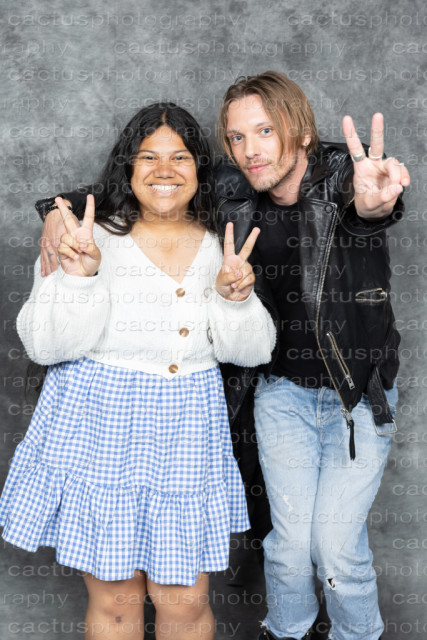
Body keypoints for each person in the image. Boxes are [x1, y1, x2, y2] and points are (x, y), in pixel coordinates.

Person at [29, 72, 409, 640]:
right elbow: (141, 182)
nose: (251, 148)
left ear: (303, 133)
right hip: (275, 396)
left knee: (333, 549)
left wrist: (374, 207)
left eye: (266, 130)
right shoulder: (230, 191)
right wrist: (55, 210)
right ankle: (287, 632)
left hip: (354, 397)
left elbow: (364, 208)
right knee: (285, 546)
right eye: (236, 137)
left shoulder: (342, 180)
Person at [0, 102, 276, 640]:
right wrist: (78, 278)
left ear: (200, 169)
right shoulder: (88, 236)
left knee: (185, 602)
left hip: (187, 432)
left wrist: (235, 299)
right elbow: (45, 345)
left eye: (180, 157)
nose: (163, 169)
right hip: (98, 428)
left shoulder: (220, 244)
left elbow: (254, 351)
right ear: (127, 167)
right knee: (117, 602)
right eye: (148, 157)